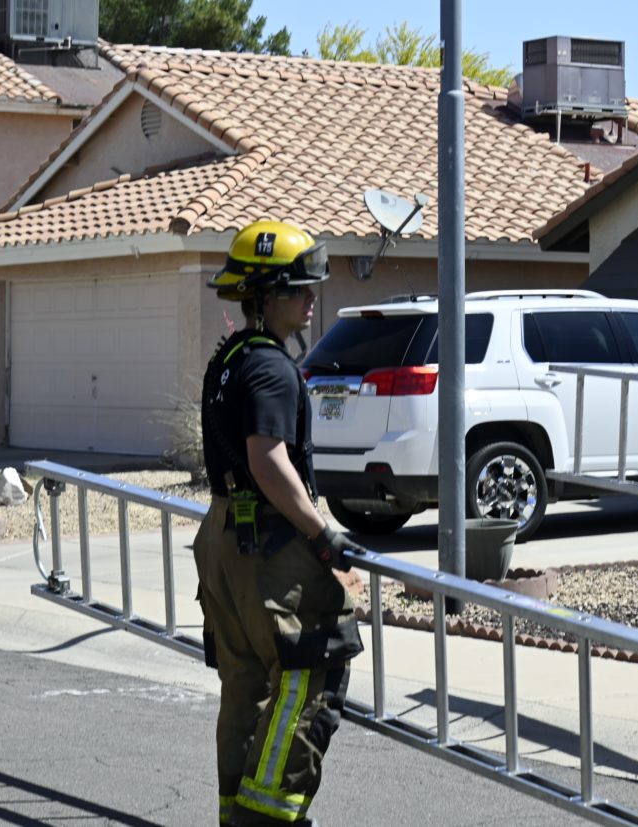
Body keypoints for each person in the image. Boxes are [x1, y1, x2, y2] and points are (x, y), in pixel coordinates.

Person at [192, 219, 366, 827]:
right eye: (298, 289)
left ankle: (237, 814)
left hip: (225, 538)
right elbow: (269, 461)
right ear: (264, 297)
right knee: (309, 672)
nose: (311, 298)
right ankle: (266, 820)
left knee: (246, 685)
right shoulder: (270, 367)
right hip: (268, 548)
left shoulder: (229, 359)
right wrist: (322, 535)